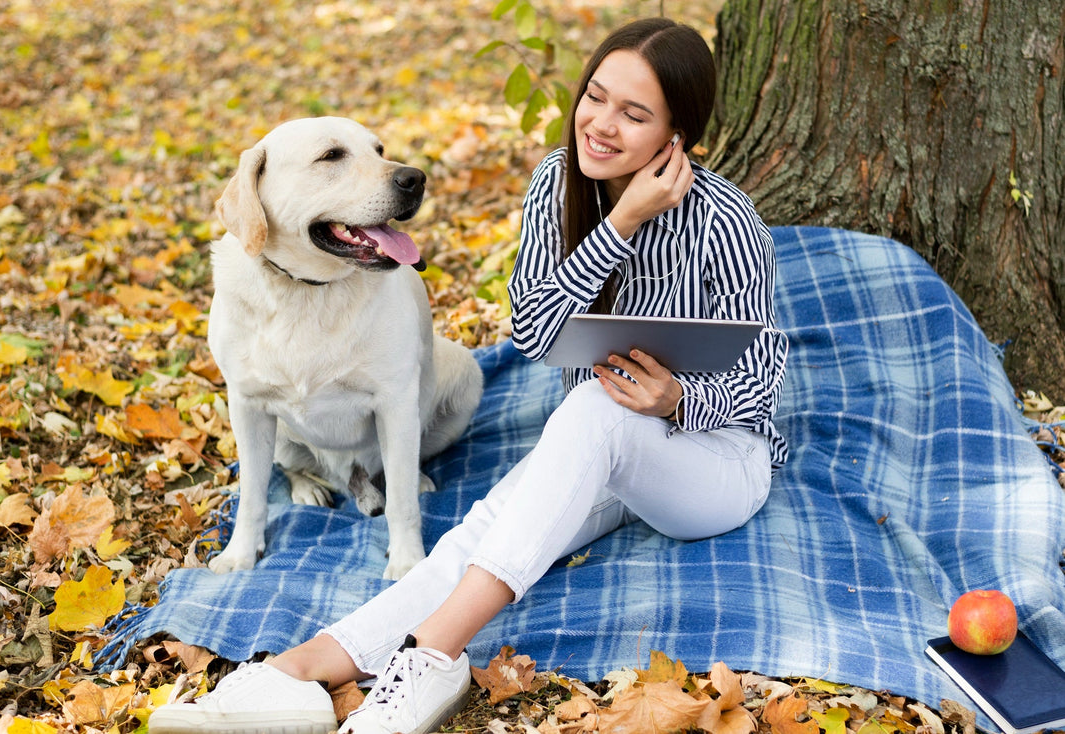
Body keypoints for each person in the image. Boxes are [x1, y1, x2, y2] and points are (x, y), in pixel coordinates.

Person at [148, 16, 787, 734]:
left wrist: (676, 396)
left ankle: (431, 655)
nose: (602, 125)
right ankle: (297, 670)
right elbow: (538, 334)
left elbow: (763, 384)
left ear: (676, 136)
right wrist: (620, 226)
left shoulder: (725, 218)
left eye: (634, 115)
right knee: (484, 529)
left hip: (715, 464)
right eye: (596, 97)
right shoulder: (559, 181)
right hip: (606, 445)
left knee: (592, 412)